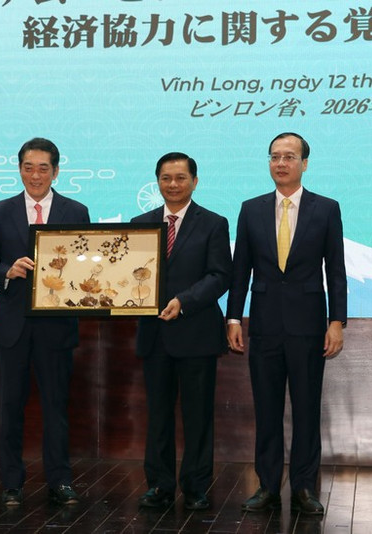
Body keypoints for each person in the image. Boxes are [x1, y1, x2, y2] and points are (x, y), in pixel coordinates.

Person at [226, 132, 346, 515]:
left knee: (307, 410)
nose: (281, 163)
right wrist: (233, 317)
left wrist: (337, 321)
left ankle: (305, 488)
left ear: (304, 163)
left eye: (289, 156)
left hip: (308, 326)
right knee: (267, 410)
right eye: (275, 156)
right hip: (264, 326)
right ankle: (267, 486)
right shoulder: (251, 209)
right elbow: (240, 270)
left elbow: (336, 271)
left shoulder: (326, 209)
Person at [0, 137, 90, 506]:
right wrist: (7, 271)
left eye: (43, 168)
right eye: (28, 168)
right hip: (13, 326)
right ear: (20, 170)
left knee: (56, 408)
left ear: (56, 172)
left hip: (57, 325)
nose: (35, 175)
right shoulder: (1, 210)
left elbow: (90, 262)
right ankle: (11, 482)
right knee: (10, 408)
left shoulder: (76, 211)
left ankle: (60, 481)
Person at [131, 152, 232, 511]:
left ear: (194, 181)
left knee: (197, 416)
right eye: (166, 178)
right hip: (154, 334)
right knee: (158, 416)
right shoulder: (140, 223)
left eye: (180, 178)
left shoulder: (214, 223)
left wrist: (183, 301)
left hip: (196, 332)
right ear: (157, 181)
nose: (172, 185)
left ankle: (196, 487)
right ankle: (159, 486)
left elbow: (220, 275)